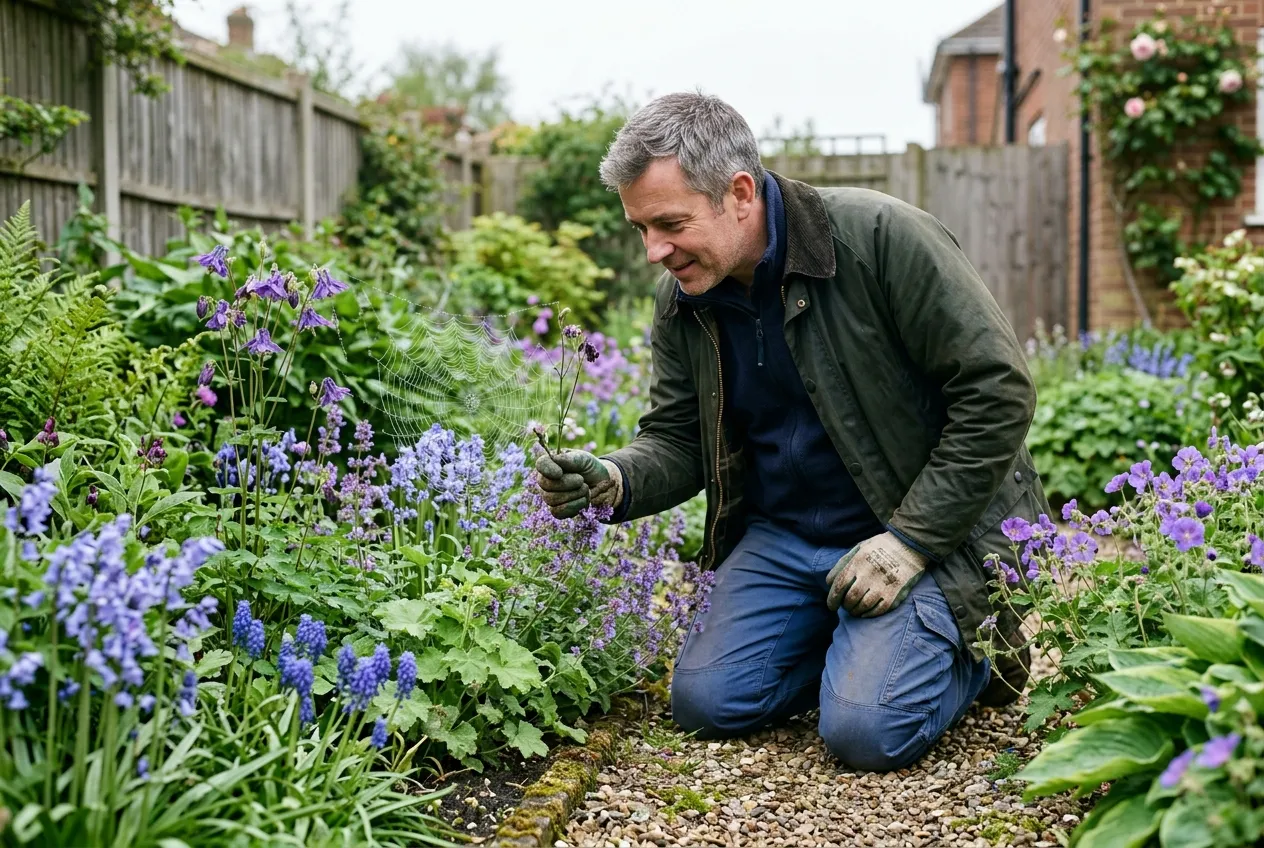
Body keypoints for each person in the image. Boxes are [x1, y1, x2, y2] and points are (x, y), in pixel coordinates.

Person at [532, 91, 1049, 772]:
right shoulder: (686, 299)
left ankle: (979, 653)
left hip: (912, 527)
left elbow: (998, 390)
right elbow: (679, 439)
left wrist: (910, 542)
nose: (654, 251)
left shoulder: (881, 240)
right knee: (706, 703)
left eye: (669, 223)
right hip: (785, 538)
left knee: (864, 733)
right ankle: (855, 644)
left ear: (739, 193)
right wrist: (616, 479)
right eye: (640, 229)